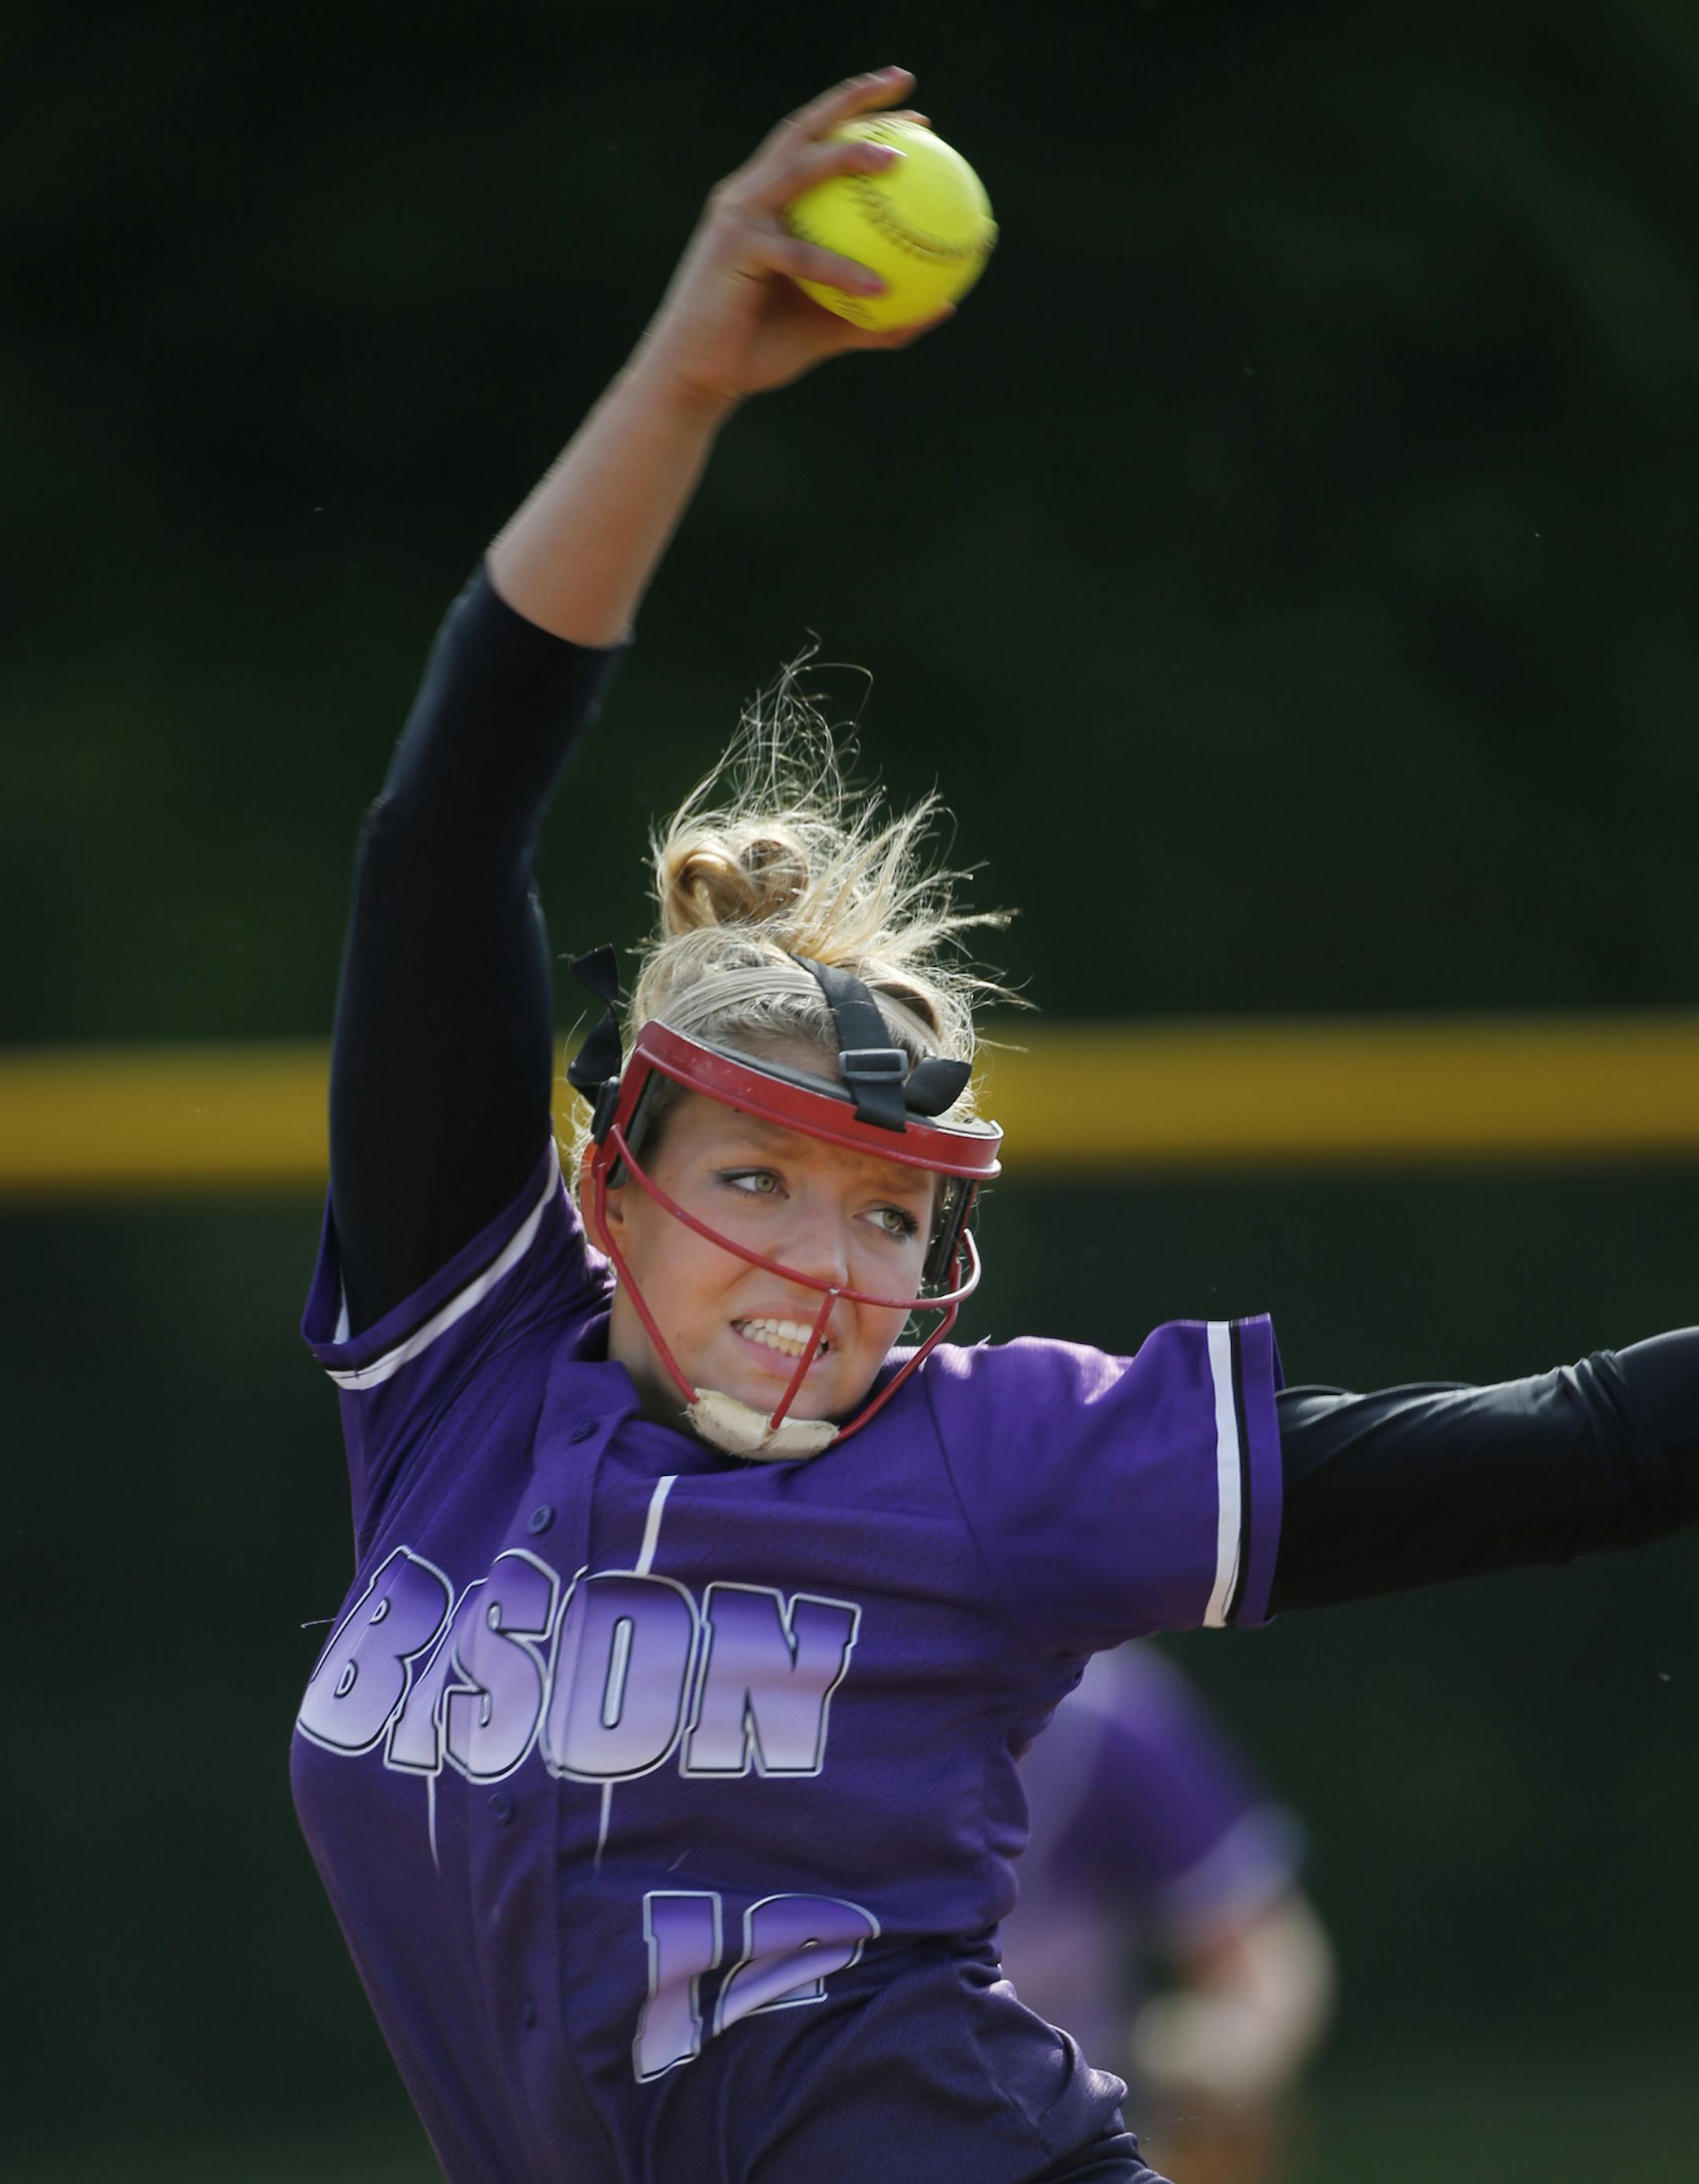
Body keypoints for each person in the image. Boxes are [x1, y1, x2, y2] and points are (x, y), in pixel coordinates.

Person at [290, 67, 1699, 2184]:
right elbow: (444, 829)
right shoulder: (458, 1374)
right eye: (756, 1180)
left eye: (883, 1213)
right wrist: (685, 377)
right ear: (611, 1188)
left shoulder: (998, 1464)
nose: (819, 1266)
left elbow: (1570, 1448)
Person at [1003, 1646, 1334, 2184]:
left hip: (1065, 2124)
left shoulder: (1105, 1714)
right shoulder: (833, 1710)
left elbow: (1264, 1946)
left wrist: (1223, 2047)